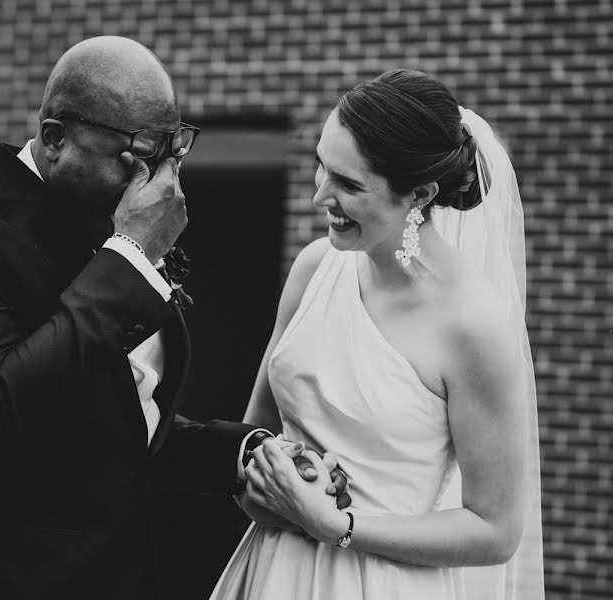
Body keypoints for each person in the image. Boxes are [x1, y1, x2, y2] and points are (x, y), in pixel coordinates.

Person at [0, 36, 346, 600]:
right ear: (56, 139)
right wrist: (129, 255)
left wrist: (247, 453)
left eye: (173, 152)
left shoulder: (103, 222)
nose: (162, 183)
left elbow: (114, 422)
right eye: (139, 156)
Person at [211, 69, 544, 599]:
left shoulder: (473, 323)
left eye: (348, 184)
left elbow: (495, 531)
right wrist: (259, 486)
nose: (321, 195)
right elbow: (255, 434)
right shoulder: (314, 268)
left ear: (420, 193)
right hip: (273, 569)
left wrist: (338, 526)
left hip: (383, 581)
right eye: (322, 167)